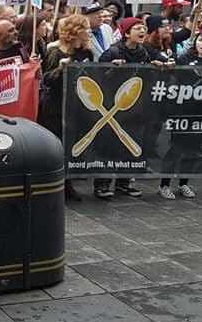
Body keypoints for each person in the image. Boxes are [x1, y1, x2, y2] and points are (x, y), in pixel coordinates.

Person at [94, 18, 162, 199]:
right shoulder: (112, 52)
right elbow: (98, 78)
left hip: (136, 106)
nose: (142, 31)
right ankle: (102, 184)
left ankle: (124, 182)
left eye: (144, 28)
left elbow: (165, 63)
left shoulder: (145, 53)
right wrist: (112, 70)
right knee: (109, 146)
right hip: (113, 107)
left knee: (131, 146)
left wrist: (159, 66)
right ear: (126, 33)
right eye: (137, 28)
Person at [159, 31, 202, 200]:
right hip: (183, 112)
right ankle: (164, 184)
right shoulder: (183, 60)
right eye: (201, 39)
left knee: (193, 150)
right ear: (195, 43)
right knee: (176, 148)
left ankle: (183, 183)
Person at [39, 15, 94, 201]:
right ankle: (54, 185)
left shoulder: (87, 53)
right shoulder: (56, 53)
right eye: (85, 28)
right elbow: (47, 80)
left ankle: (67, 183)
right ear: (76, 31)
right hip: (55, 106)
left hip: (76, 103)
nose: (89, 32)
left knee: (71, 144)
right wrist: (60, 70)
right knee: (57, 144)